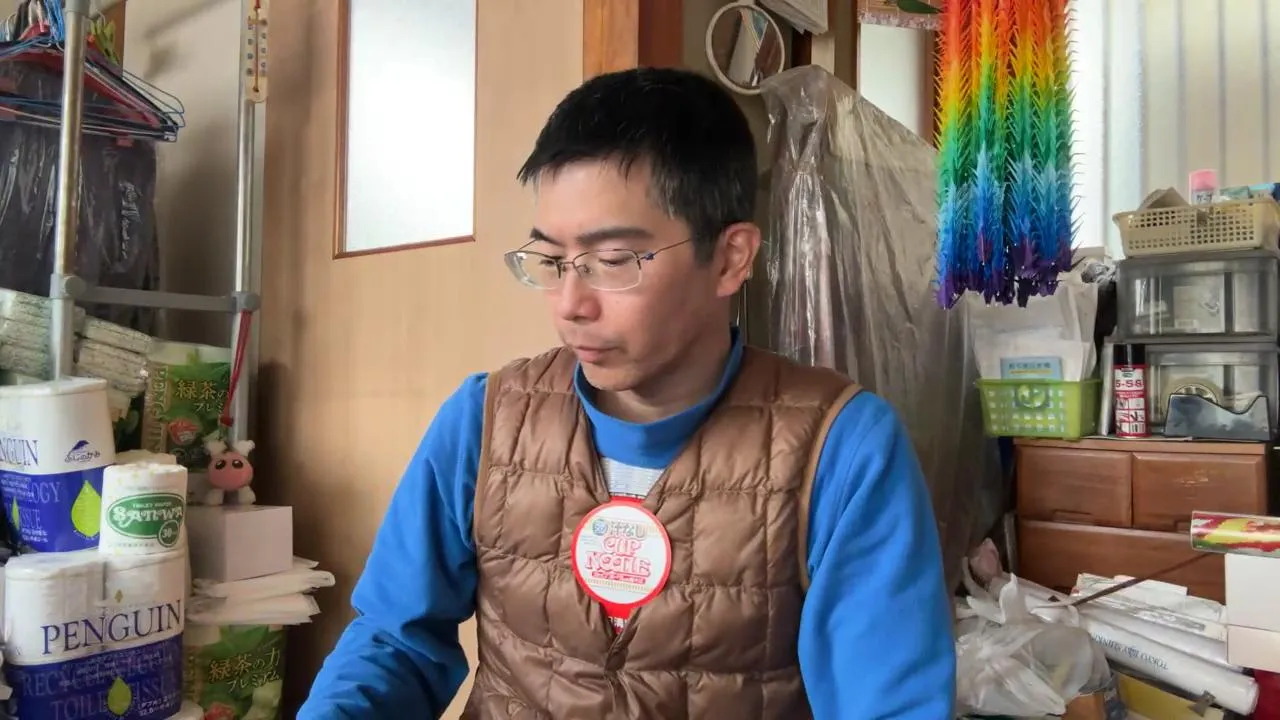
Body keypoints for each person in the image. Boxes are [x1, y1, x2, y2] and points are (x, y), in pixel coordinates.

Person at [299, 67, 954, 719]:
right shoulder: (484, 419)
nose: (570, 304)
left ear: (731, 258)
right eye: (551, 261)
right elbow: (395, 641)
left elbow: (890, 706)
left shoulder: (842, 448)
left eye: (612, 261)